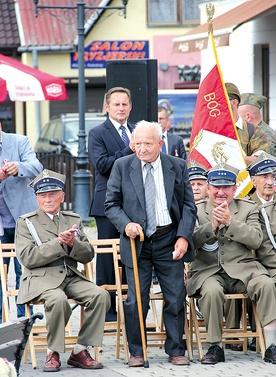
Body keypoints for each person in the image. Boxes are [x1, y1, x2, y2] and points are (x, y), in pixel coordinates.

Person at [105, 120, 197, 367]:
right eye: (137, 143)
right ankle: (137, 351)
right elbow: (111, 204)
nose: (142, 148)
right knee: (136, 300)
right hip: (138, 242)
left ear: (160, 144)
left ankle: (176, 349)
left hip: (169, 239)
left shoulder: (176, 166)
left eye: (147, 143)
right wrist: (126, 224)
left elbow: (189, 206)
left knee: (176, 296)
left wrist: (183, 237)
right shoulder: (122, 166)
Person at [15, 169, 110, 372]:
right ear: (37, 198)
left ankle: (80, 350)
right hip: (41, 278)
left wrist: (73, 244)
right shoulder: (26, 222)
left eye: (52, 194)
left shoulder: (72, 219)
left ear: (62, 196)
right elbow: (28, 258)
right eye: (43, 195)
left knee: (101, 295)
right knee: (58, 300)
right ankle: (53, 353)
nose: (47, 199)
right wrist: (59, 243)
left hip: (70, 276)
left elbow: (88, 255)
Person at [186, 163, 276, 365]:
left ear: (235, 189)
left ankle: (271, 346)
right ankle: (215, 346)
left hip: (244, 270)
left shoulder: (248, 207)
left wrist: (230, 223)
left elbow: (255, 240)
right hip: (208, 271)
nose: (220, 192)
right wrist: (212, 226)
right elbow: (189, 242)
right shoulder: (196, 210)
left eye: (226, 187)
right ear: (208, 188)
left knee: (267, 284)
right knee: (211, 291)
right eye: (216, 187)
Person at [88, 86, 135, 321]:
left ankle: (131, 310)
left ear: (130, 106)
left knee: (132, 255)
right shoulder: (97, 133)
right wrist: (130, 149)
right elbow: (103, 165)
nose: (121, 108)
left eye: (125, 104)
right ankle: (107, 312)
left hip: (134, 206)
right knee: (107, 258)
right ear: (107, 107)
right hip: (107, 204)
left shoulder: (138, 131)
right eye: (116, 104)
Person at [0, 122, 43, 323]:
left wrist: (18, 167)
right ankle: (1, 325)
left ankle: (23, 322)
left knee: (24, 273)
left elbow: (37, 167)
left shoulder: (19, 141)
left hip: (22, 220)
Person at [225, 83, 269, 165]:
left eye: (221, 100)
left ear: (234, 103)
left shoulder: (253, 130)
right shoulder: (210, 130)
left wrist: (233, 157)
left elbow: (262, 160)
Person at [239, 93, 276, 157]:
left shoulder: (264, 136)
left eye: (238, 116)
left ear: (248, 117)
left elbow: (264, 163)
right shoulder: (253, 131)